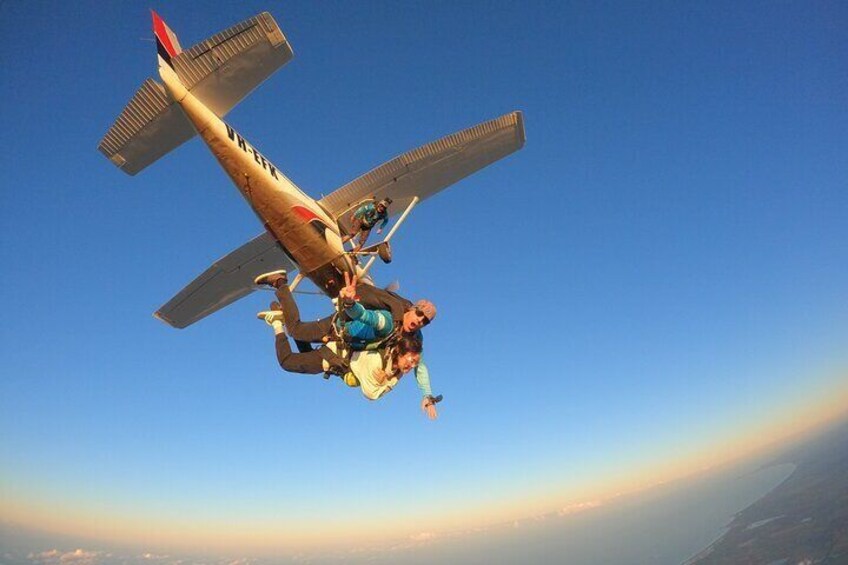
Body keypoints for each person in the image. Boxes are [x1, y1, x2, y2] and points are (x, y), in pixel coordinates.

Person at [255, 270, 440, 418]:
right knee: (295, 330)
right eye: (419, 314)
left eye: (425, 321)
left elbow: (420, 366)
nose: (419, 321)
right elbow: (367, 317)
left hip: (343, 345)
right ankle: (280, 283)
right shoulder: (390, 320)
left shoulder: (414, 340)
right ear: (412, 309)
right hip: (336, 328)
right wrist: (350, 304)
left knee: (303, 344)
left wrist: (427, 394)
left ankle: (281, 317)